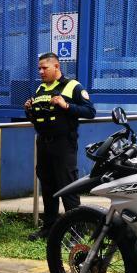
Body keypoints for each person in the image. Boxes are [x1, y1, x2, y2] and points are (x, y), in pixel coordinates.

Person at [24, 52, 95, 241]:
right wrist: (29, 110)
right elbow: (39, 117)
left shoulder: (72, 86)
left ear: (56, 67)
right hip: (44, 144)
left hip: (64, 144)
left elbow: (90, 111)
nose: (41, 71)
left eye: (44, 68)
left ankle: (77, 230)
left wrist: (66, 106)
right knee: (48, 187)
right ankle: (49, 227)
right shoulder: (40, 89)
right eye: (39, 68)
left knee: (68, 187)